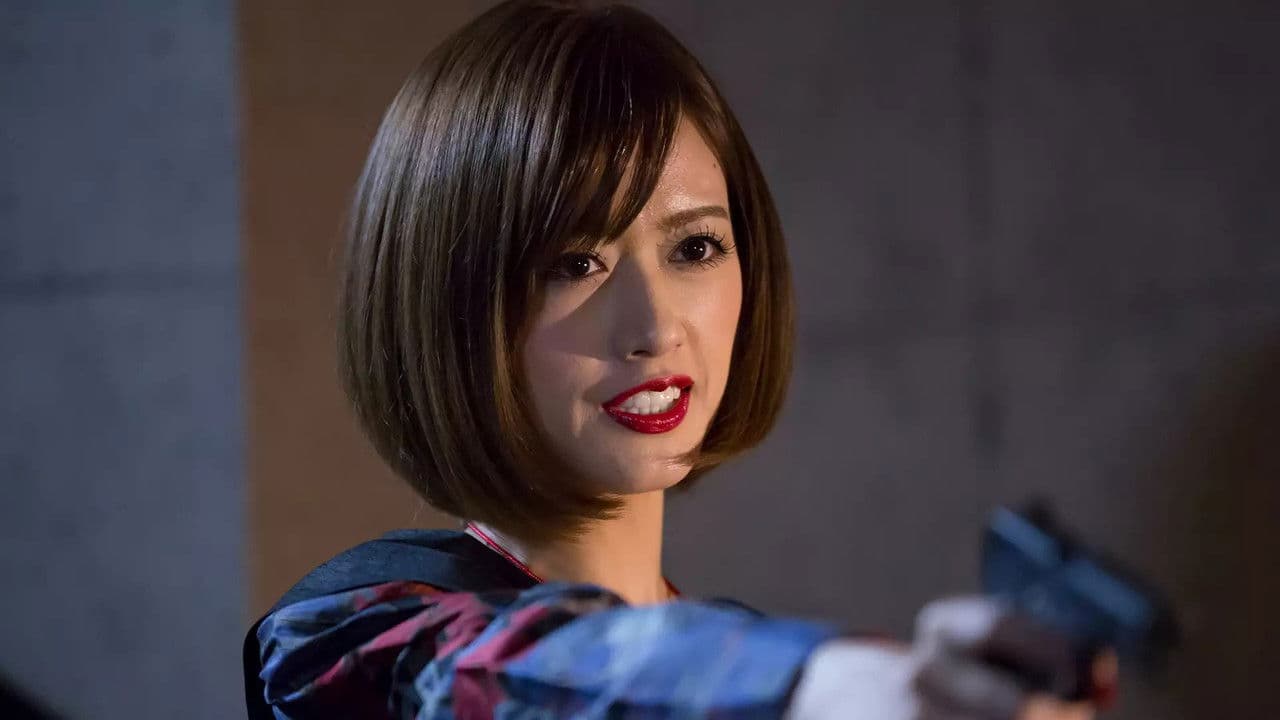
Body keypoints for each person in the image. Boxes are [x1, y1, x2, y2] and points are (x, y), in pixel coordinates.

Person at [244, 1, 1117, 717]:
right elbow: (526, 676)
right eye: (574, 264)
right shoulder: (349, 642)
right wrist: (838, 685)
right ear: (450, 307)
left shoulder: (743, 655)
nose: (656, 328)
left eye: (695, 248)